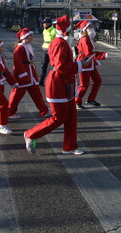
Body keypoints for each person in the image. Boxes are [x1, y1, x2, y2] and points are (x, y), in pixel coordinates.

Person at [23, 15, 90, 155]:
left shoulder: (61, 42)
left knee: (72, 117)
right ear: (67, 30)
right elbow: (60, 66)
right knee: (59, 117)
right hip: (58, 84)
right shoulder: (60, 43)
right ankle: (31, 134)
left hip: (66, 83)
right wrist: (79, 64)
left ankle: (69, 146)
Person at [7, 28, 49, 119]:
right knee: (17, 95)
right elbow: (18, 63)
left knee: (36, 93)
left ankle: (44, 110)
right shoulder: (19, 48)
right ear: (24, 37)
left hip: (31, 73)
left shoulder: (27, 46)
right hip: (23, 74)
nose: (31, 37)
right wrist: (23, 74)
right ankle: (10, 112)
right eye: (30, 36)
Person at [74, 20, 108, 109]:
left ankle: (91, 99)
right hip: (85, 62)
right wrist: (103, 55)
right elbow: (89, 53)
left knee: (97, 80)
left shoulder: (88, 37)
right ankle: (76, 101)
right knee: (84, 85)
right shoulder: (85, 39)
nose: (91, 28)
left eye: (91, 26)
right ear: (85, 29)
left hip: (89, 62)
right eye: (89, 27)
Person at [39, 18, 56, 86]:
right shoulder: (44, 30)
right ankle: (41, 80)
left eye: (45, 23)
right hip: (45, 49)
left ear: (49, 23)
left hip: (52, 49)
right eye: (43, 23)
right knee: (43, 65)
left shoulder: (54, 30)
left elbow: (53, 39)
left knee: (55, 65)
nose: (43, 24)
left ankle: (55, 80)